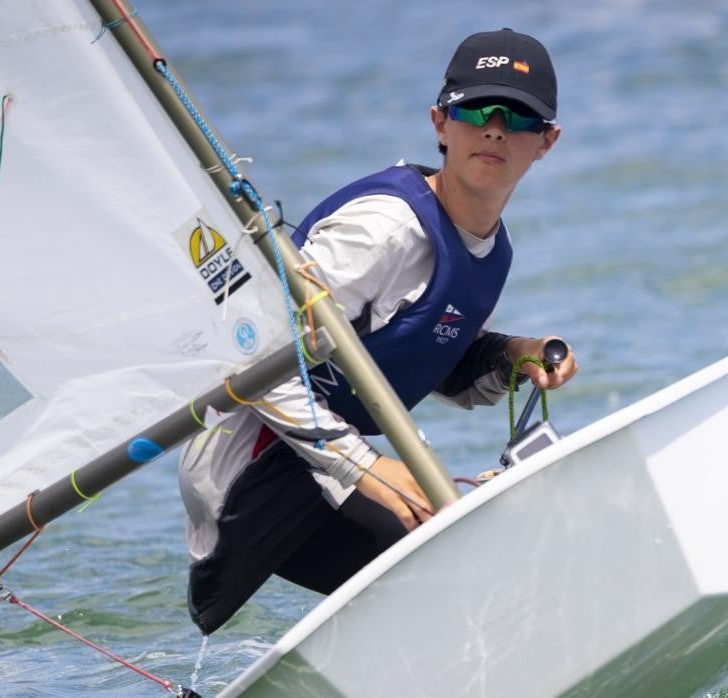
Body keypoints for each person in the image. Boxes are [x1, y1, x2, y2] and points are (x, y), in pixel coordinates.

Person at [178, 28, 577, 636]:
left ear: (546, 142)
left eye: (519, 116)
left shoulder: (491, 251)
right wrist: (366, 466)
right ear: (441, 122)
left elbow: (433, 361)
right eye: (475, 109)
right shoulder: (384, 230)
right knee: (466, 569)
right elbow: (251, 352)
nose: (495, 127)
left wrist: (511, 357)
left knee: (477, 585)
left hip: (321, 466)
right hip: (253, 476)